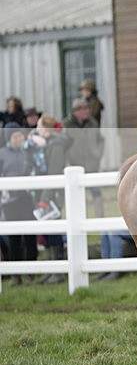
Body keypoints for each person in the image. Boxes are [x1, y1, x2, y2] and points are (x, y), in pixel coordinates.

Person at [30, 116, 72, 284]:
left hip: (53, 195)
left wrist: (45, 198)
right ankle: (51, 270)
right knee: (47, 232)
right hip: (46, 193)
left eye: (39, 126)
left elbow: (54, 171)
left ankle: (58, 271)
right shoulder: (48, 144)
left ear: (46, 128)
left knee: (54, 232)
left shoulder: (56, 145)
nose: (37, 130)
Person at [0, 123, 37, 285]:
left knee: (30, 237)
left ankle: (31, 274)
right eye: (15, 137)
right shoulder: (2, 154)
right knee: (14, 238)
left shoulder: (29, 150)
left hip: (28, 199)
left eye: (20, 136)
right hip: (10, 202)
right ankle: (15, 275)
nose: (18, 139)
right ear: (9, 138)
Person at [63, 98, 105, 217]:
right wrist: (67, 162)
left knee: (96, 192)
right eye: (83, 109)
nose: (86, 111)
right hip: (75, 165)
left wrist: (97, 155)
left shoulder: (93, 123)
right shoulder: (66, 125)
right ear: (76, 111)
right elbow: (63, 145)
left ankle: (99, 218)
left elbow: (101, 140)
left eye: (87, 108)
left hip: (92, 164)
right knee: (76, 194)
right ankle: (78, 217)